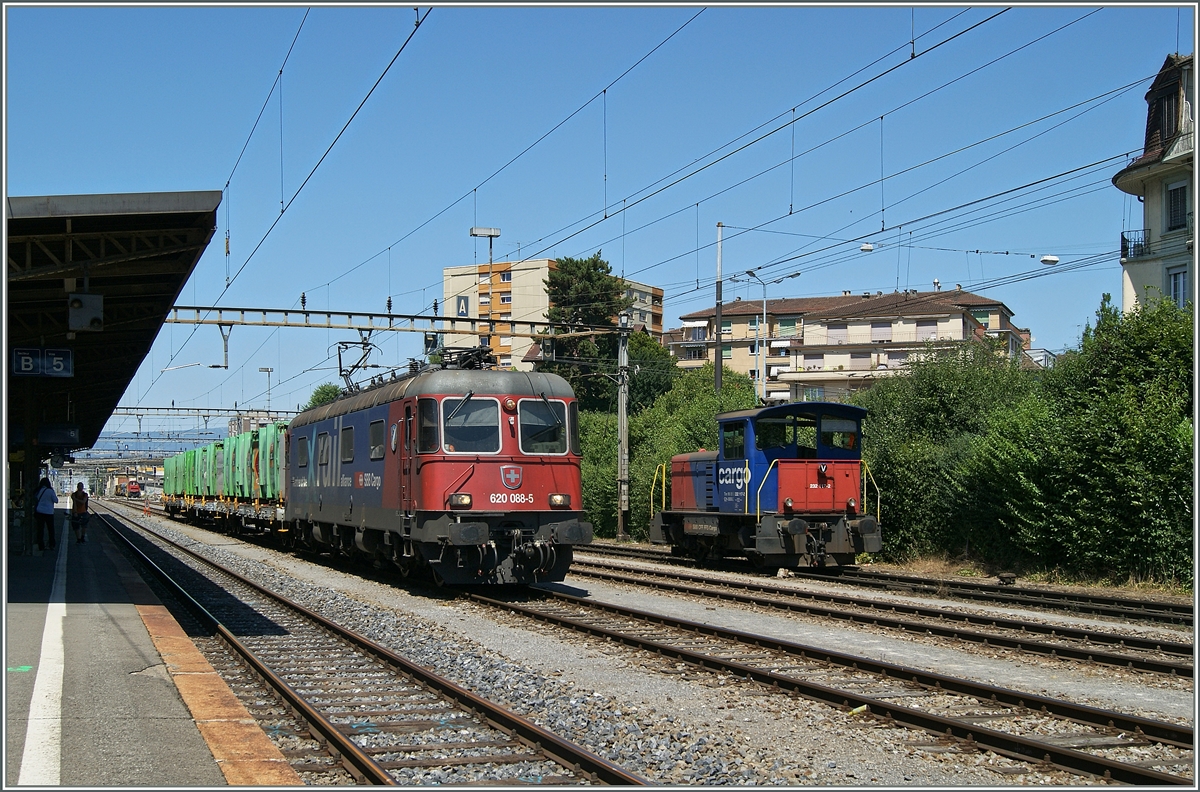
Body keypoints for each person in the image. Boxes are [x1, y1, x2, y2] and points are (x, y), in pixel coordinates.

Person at [33, 477, 58, 551]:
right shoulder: (50, 491)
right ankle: (51, 544)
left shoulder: (39, 490)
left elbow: (36, 498)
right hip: (49, 513)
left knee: (40, 529)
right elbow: (56, 500)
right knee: (50, 529)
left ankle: (41, 545)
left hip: (39, 512)